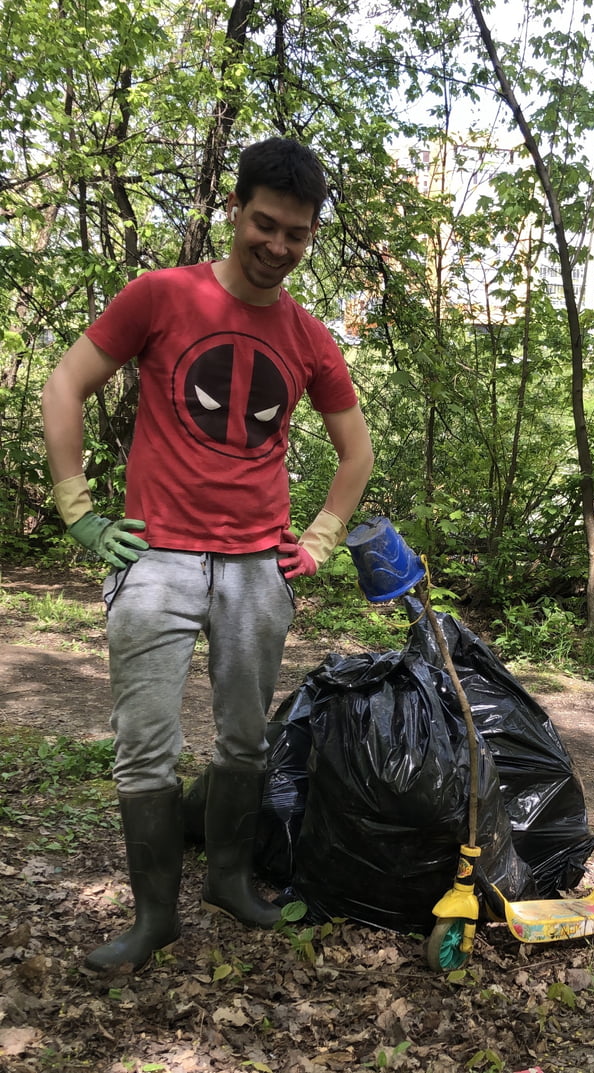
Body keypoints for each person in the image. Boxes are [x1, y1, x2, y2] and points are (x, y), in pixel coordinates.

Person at [41, 137, 374, 974]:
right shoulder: (162, 294)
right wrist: (77, 507)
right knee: (144, 743)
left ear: (309, 237)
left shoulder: (306, 333)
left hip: (259, 566)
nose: (277, 245)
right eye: (265, 223)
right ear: (236, 210)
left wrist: (323, 536)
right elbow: (65, 382)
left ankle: (228, 880)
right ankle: (155, 917)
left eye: (296, 234)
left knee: (243, 741)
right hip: (155, 557)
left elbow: (355, 451)